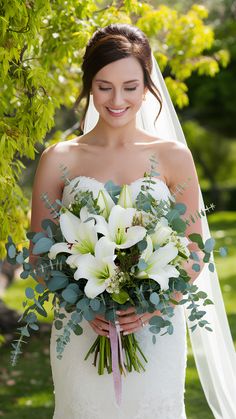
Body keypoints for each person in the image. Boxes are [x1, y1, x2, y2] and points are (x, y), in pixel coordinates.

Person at [30, 24, 236, 419]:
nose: (117, 99)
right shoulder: (59, 159)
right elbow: (39, 254)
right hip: (82, 329)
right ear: (89, 85)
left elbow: (193, 250)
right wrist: (84, 305)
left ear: (147, 86)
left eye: (129, 86)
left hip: (155, 332)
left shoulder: (174, 156)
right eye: (104, 86)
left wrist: (153, 308)